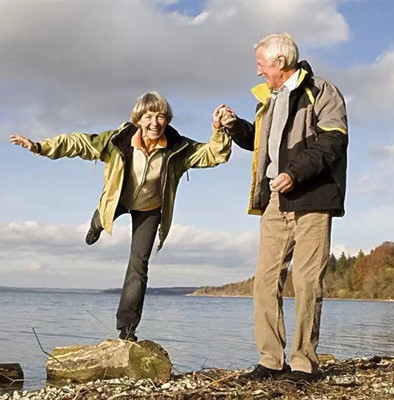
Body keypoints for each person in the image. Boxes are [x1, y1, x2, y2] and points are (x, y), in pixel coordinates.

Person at [10, 91, 232, 341]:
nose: (155, 123)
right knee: (103, 216)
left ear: (167, 120)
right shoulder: (117, 140)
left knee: (139, 266)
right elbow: (78, 142)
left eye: (160, 116)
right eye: (148, 116)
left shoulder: (178, 148)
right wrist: (39, 147)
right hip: (118, 200)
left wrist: (219, 129)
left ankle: (127, 329)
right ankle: (98, 222)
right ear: (138, 119)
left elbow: (215, 154)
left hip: (150, 209)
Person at [216, 33, 348, 383]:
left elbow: (333, 141)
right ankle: (271, 361)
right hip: (276, 199)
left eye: (261, 64)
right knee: (265, 280)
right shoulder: (271, 99)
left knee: (306, 281)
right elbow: (262, 145)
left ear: (280, 63)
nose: (258, 71)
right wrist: (235, 126)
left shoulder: (322, 91)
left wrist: (294, 173)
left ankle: (304, 364)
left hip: (314, 197)